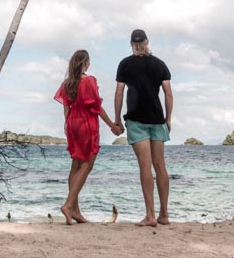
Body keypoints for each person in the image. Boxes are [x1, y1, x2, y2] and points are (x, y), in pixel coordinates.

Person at [54, 49, 122, 225]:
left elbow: (66, 109)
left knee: (75, 165)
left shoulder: (67, 83)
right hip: (86, 124)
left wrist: (69, 127)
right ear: (85, 63)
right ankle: (69, 205)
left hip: (71, 124)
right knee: (87, 165)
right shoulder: (89, 81)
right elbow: (97, 108)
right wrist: (112, 126)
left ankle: (75, 211)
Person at [114, 29, 173, 227]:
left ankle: (150, 215)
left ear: (132, 43)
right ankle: (164, 214)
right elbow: (168, 94)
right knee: (160, 166)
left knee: (145, 166)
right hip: (157, 119)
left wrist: (117, 119)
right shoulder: (160, 64)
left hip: (136, 120)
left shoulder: (125, 64)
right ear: (147, 41)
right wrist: (168, 119)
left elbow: (119, 93)